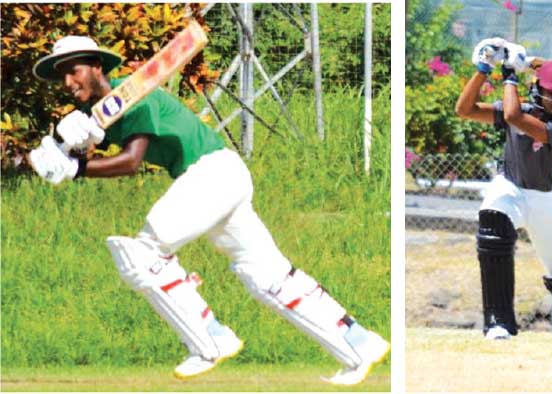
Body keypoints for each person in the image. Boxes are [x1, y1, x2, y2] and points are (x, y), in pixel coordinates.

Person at [26, 35, 390, 385]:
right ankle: (358, 343)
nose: (68, 81)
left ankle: (212, 339)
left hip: (209, 173)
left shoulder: (134, 94)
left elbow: (131, 161)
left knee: (140, 254)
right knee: (268, 276)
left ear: (95, 66)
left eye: (73, 70)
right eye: (62, 75)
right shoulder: (98, 113)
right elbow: (88, 151)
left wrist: (75, 170)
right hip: (219, 176)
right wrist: (64, 151)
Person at [454, 37, 552, 342]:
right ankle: (498, 323)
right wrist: (482, 70)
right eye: (551, 93)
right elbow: (464, 110)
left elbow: (515, 117)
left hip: (543, 199)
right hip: (511, 187)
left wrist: (509, 75)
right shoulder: (519, 105)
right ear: (537, 88)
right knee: (492, 223)